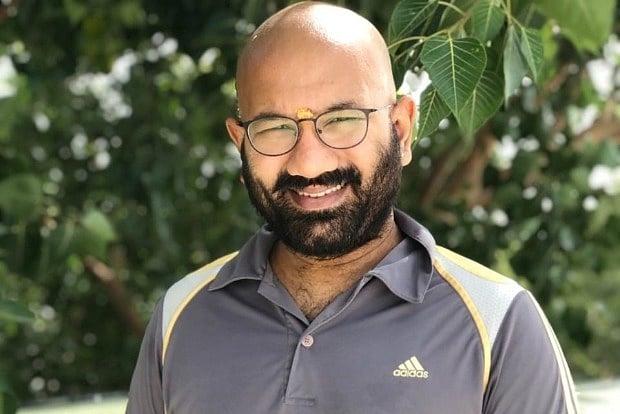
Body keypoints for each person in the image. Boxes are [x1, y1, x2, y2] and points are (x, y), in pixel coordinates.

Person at [126, 2, 581, 413]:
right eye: (274, 127)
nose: (309, 163)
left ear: (401, 131)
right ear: (240, 143)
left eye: (343, 120)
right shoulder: (181, 317)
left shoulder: (498, 322)